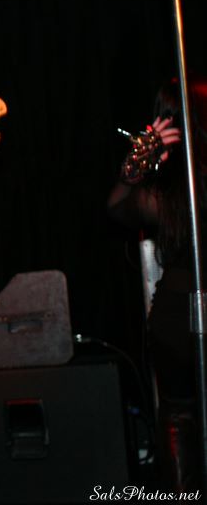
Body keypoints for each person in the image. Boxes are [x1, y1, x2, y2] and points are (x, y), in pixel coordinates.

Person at [108, 77, 205, 494]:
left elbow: (117, 206)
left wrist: (137, 166)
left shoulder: (167, 191)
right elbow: (117, 209)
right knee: (180, 414)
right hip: (181, 314)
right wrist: (141, 165)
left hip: (175, 314)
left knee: (179, 416)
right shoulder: (171, 189)